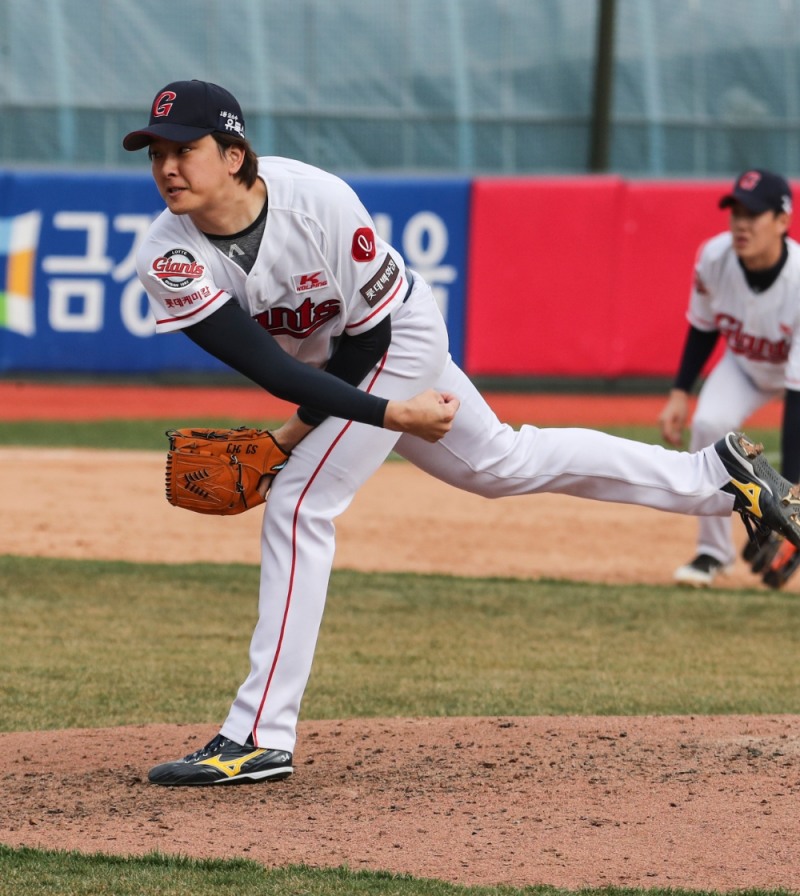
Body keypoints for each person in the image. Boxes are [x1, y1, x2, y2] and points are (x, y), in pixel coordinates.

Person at [124, 81, 800, 786]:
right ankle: (715, 479)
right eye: (156, 153)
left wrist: (380, 420)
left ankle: (259, 733)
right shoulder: (169, 256)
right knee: (501, 463)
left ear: (234, 155)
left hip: (398, 337)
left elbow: (368, 340)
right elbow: (273, 369)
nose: (168, 166)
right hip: (329, 369)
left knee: (298, 503)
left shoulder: (317, 201)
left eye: (186, 149)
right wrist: (303, 430)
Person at [659, 169, 800, 587]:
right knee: (709, 425)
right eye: (735, 211)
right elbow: (703, 327)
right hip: (745, 366)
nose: (741, 223)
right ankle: (712, 552)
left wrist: (790, 496)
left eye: (753, 213)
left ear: (781, 221)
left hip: (796, 377)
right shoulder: (714, 257)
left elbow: (797, 396)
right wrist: (680, 392)